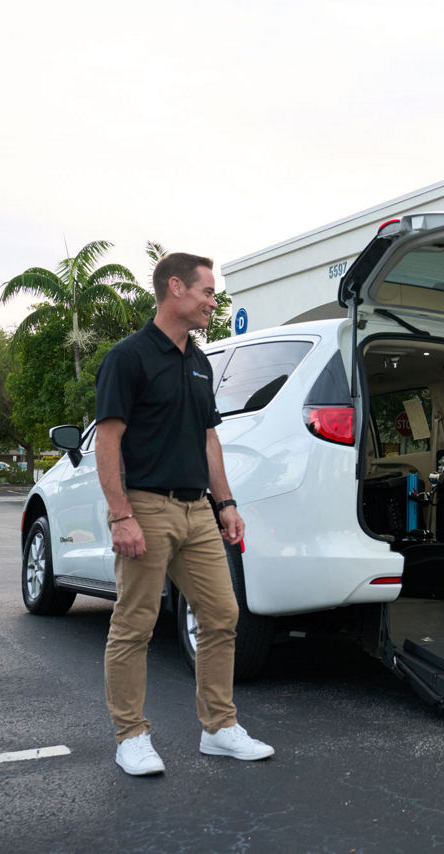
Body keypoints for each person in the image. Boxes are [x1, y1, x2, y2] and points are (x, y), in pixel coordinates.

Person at [95, 252, 273, 775]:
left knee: (222, 615)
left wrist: (226, 503)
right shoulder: (128, 357)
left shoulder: (199, 361)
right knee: (135, 625)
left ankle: (218, 728)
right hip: (146, 507)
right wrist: (121, 515)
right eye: (207, 292)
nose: (213, 302)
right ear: (176, 288)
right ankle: (130, 736)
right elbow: (108, 440)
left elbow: (208, 438)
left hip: (198, 511)